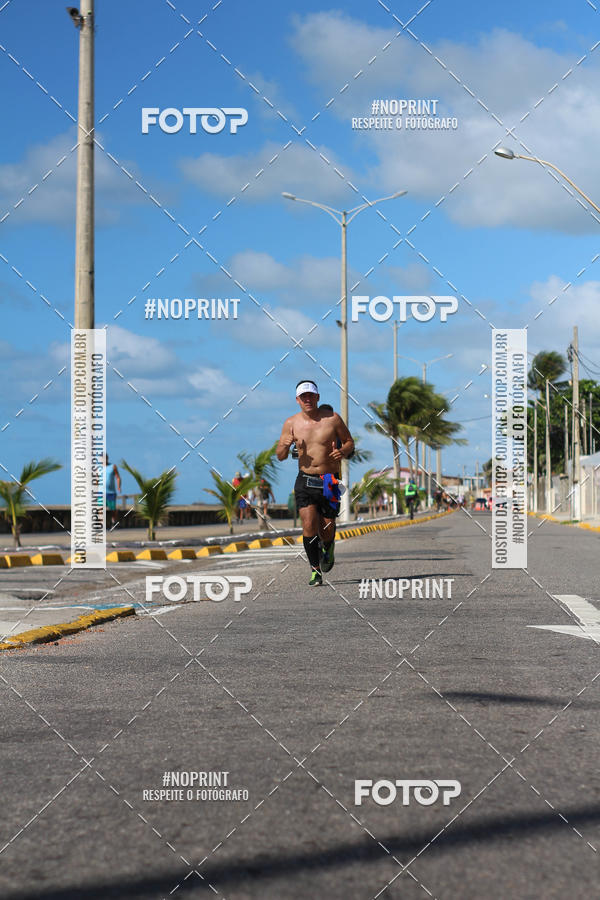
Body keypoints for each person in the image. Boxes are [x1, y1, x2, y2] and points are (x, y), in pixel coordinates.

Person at [277, 380, 354, 586]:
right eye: (304, 397)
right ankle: (315, 570)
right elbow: (280, 455)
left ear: (318, 397)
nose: (308, 400)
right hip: (305, 480)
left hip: (329, 480)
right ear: (297, 400)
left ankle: (328, 546)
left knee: (327, 527)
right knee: (309, 524)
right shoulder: (291, 423)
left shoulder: (332, 419)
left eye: (311, 396)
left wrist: (343, 451)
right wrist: (284, 447)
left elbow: (349, 442)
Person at [105, 453, 122, 528]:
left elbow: (118, 477)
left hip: (111, 492)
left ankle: (113, 522)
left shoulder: (113, 466)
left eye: (105, 458)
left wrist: (119, 486)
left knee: (112, 509)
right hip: (101, 492)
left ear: (107, 458)